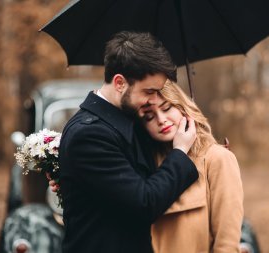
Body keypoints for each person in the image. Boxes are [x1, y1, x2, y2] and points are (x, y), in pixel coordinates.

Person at [58, 31, 199, 253]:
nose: (153, 100)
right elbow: (145, 203)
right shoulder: (89, 135)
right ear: (120, 83)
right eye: (149, 91)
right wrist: (180, 151)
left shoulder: (125, 119)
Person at [138, 81, 244, 253]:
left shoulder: (217, 159)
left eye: (166, 108)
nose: (161, 120)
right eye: (149, 116)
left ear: (182, 107)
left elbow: (227, 244)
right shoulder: (145, 164)